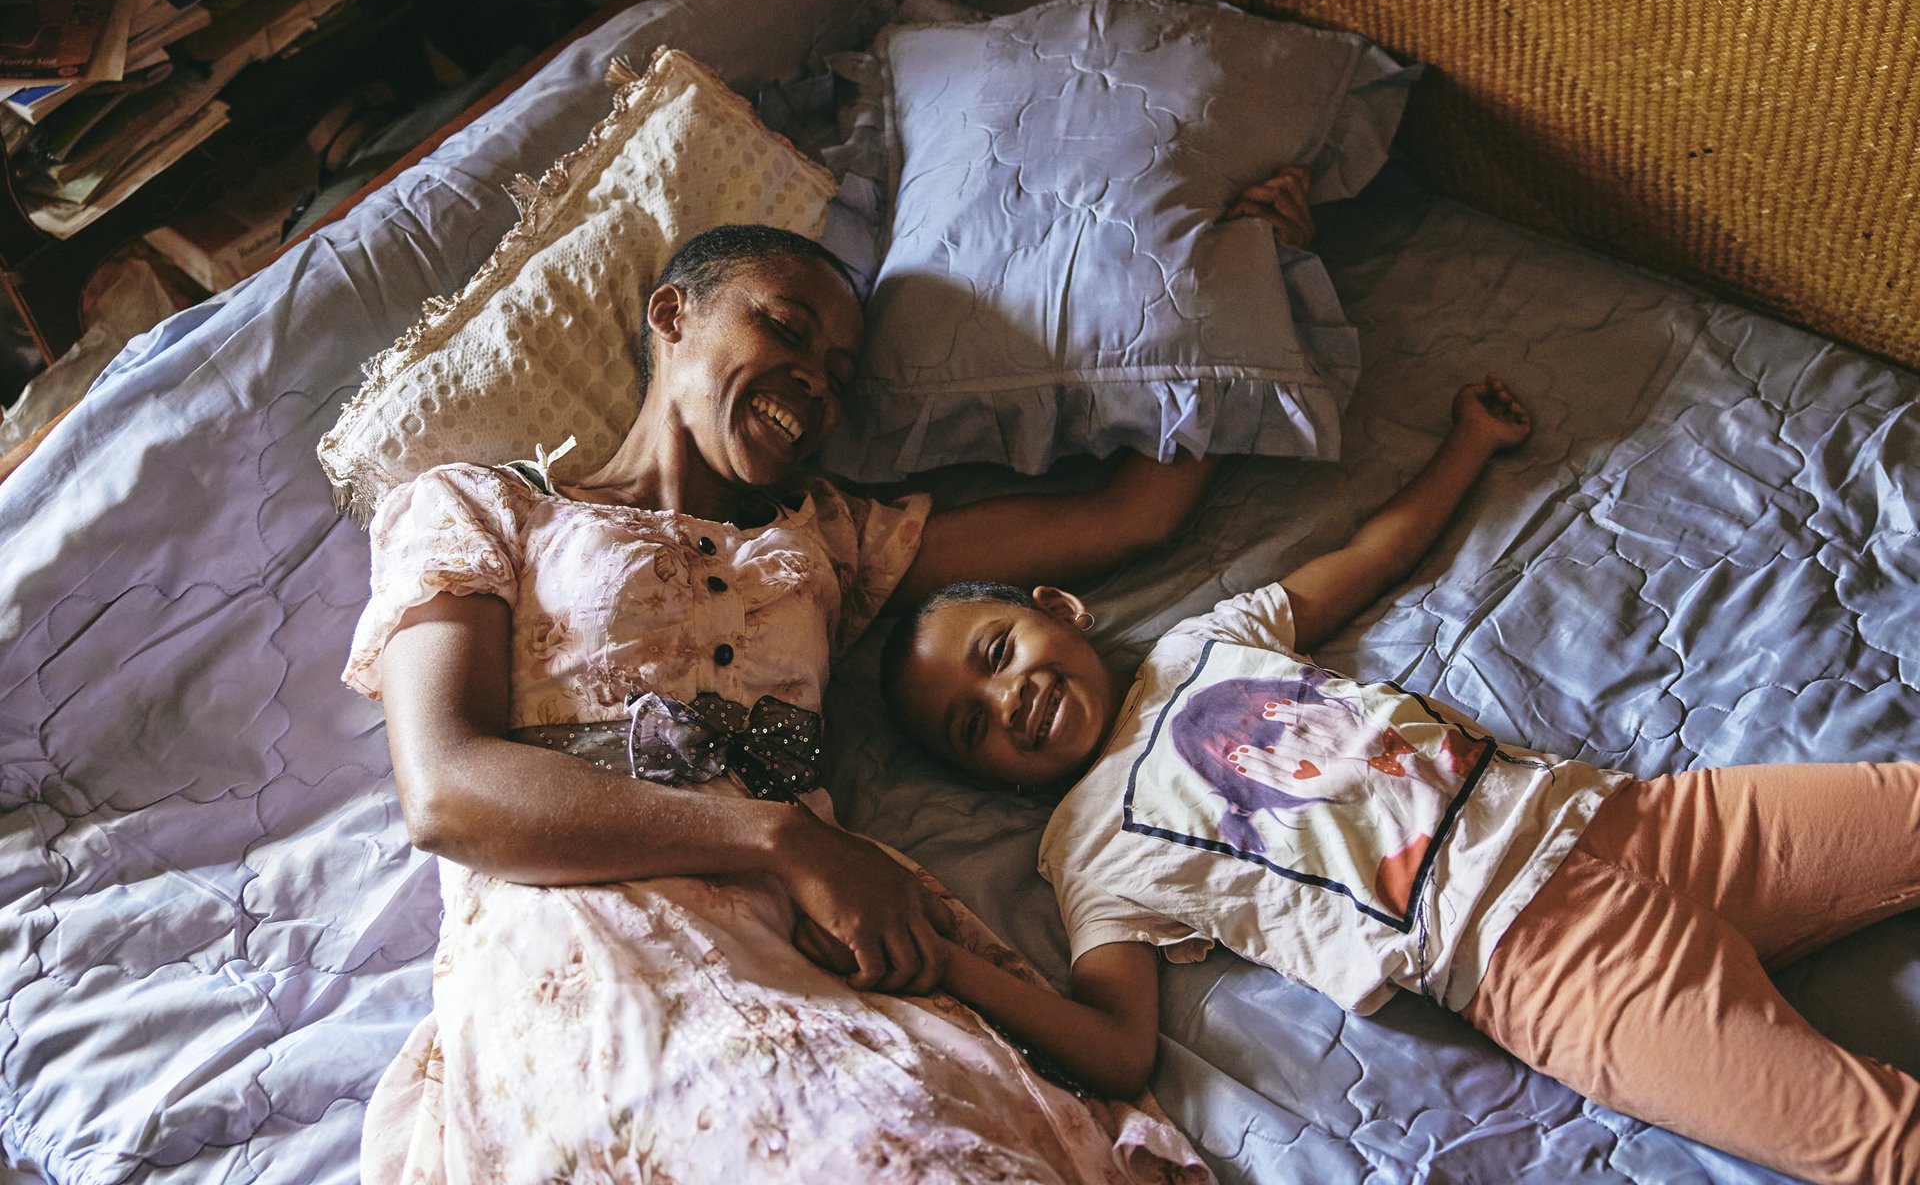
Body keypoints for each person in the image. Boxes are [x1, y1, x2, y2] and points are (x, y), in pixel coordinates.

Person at [341, 208, 1297, 1181]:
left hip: (817, 941)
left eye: (840, 376)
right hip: (584, 937)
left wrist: (1251, 262)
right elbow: (448, 789)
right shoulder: (476, 505)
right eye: (789, 330)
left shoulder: (830, 540)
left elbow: (1129, 515)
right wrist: (788, 838)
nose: (816, 384)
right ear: (671, 313)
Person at [884, 377, 1920, 1185]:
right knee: (1877, 1140)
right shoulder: (1085, 844)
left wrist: (1467, 445)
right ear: (995, 779)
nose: (1010, 698)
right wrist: (958, 967)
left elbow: (1369, 555)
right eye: (973, 727)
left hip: (1624, 817)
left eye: (996, 651)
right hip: (1534, 957)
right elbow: (1116, 1043)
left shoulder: (1202, 640)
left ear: (1056, 606)